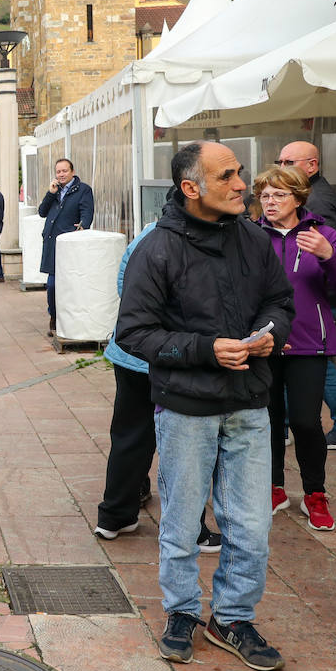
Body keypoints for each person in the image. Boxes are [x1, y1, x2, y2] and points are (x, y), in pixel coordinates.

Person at [116, 141, 293, 671]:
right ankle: (181, 613)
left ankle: (233, 618)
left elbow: (279, 301)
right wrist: (205, 349)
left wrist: (269, 336)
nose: (244, 185)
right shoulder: (157, 248)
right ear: (191, 188)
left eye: (239, 173)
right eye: (228, 177)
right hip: (186, 409)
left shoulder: (253, 239)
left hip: (249, 403)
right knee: (182, 519)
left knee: (252, 524)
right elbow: (134, 333)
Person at [96, 220, 222, 554]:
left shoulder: (147, 234)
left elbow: (126, 286)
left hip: (131, 354)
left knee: (129, 437)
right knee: (182, 443)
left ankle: (114, 516)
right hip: (168, 358)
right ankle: (189, 529)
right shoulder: (191, 242)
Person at [255, 165, 336, 532]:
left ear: (299, 198)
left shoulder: (323, 234)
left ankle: (315, 493)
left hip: (308, 343)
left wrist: (328, 254)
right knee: (267, 421)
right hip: (265, 342)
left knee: (304, 421)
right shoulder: (251, 236)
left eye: (279, 195)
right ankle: (274, 488)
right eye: (265, 195)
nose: (270, 202)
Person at [275, 141, 336, 451]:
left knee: (313, 358)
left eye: (288, 162)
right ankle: (289, 424)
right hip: (309, 291)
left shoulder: (317, 200)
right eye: (279, 161)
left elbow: (325, 253)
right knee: (301, 356)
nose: (281, 168)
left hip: (317, 291)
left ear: (311, 166)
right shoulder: (313, 194)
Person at [38, 158, 94, 334]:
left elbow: (87, 213)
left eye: (64, 171)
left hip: (70, 245)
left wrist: (82, 226)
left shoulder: (83, 190)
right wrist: (50, 193)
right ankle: (53, 316)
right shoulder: (55, 191)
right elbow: (42, 212)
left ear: (72, 172)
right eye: (58, 171)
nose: (61, 175)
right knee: (52, 285)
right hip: (52, 243)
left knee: (71, 285)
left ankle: (72, 319)